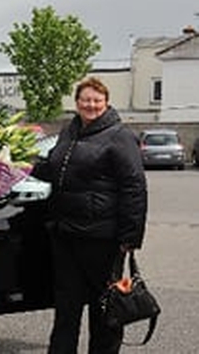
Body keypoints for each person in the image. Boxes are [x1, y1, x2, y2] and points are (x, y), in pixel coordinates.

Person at [32, 77, 147, 354]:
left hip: (102, 237)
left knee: (104, 307)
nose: (91, 105)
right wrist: (21, 166)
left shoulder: (120, 135)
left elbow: (134, 187)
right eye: (85, 99)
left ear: (106, 103)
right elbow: (54, 169)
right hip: (67, 234)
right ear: (77, 102)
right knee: (66, 307)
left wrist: (130, 237)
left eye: (97, 100)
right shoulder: (69, 131)